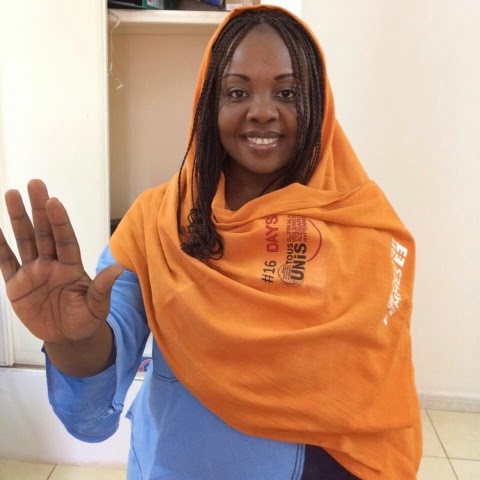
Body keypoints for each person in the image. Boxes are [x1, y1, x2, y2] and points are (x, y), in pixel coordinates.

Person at [0, 5, 422, 479]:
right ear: (208, 104)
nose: (262, 111)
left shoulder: (363, 225)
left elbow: (376, 387)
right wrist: (71, 340)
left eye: (287, 92)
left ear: (318, 106)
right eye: (237, 92)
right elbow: (93, 405)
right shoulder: (155, 222)